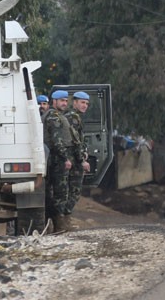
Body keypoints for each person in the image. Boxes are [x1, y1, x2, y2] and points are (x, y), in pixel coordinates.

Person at [43, 90, 76, 232]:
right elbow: (57, 141)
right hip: (57, 159)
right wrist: (65, 158)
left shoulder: (57, 116)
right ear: (54, 101)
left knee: (58, 192)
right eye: (61, 101)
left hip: (58, 157)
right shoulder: (53, 117)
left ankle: (59, 225)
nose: (64, 103)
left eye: (65, 101)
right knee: (60, 193)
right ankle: (60, 226)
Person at [62, 91, 92, 228]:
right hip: (72, 161)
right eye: (82, 102)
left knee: (68, 191)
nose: (85, 105)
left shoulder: (73, 116)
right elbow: (75, 142)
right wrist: (82, 161)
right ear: (74, 103)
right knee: (73, 191)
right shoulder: (73, 117)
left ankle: (64, 220)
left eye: (86, 103)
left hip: (71, 159)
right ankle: (64, 220)